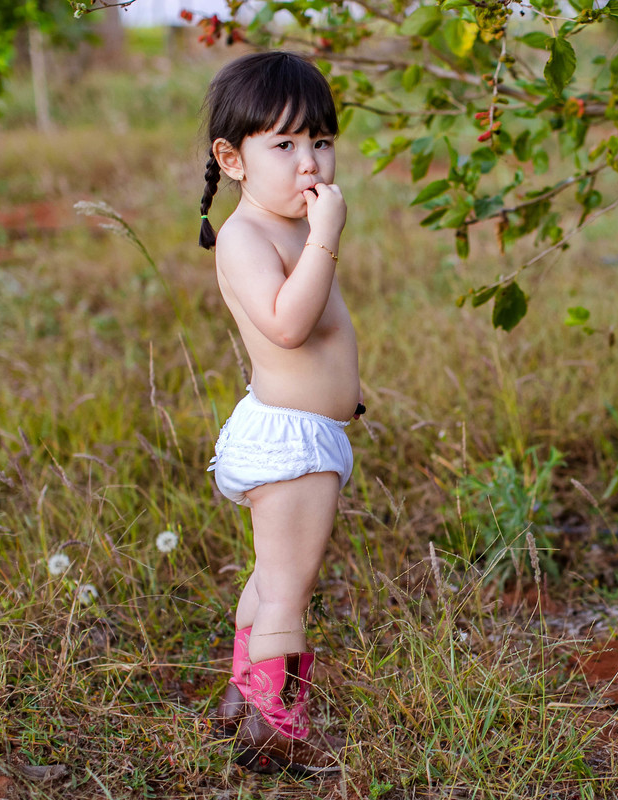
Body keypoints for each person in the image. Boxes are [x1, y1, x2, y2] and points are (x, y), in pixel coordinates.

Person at [198, 50, 362, 776]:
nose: (311, 164)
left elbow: (324, 337)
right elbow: (286, 326)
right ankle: (277, 727)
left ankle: (243, 697)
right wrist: (326, 238)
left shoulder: (292, 227)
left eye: (321, 142)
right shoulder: (246, 236)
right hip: (290, 443)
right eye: (286, 145)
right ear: (232, 160)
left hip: (308, 428)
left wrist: (348, 393)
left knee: (272, 575)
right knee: (288, 591)